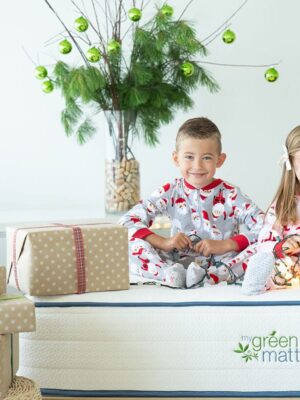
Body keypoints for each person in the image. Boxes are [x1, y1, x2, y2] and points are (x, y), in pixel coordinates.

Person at [120, 117, 265, 288]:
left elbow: (266, 226)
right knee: (130, 244)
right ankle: (170, 275)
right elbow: (127, 221)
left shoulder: (231, 194)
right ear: (176, 158)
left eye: (207, 158)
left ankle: (210, 277)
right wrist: (164, 242)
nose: (197, 166)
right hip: (175, 262)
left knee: (266, 247)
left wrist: (226, 244)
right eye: (189, 157)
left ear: (220, 160)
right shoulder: (170, 190)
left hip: (223, 263)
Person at [242, 126, 300, 295]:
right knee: (277, 266)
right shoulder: (284, 204)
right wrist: (280, 246)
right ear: (291, 165)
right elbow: (268, 235)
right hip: (290, 259)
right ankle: (257, 281)